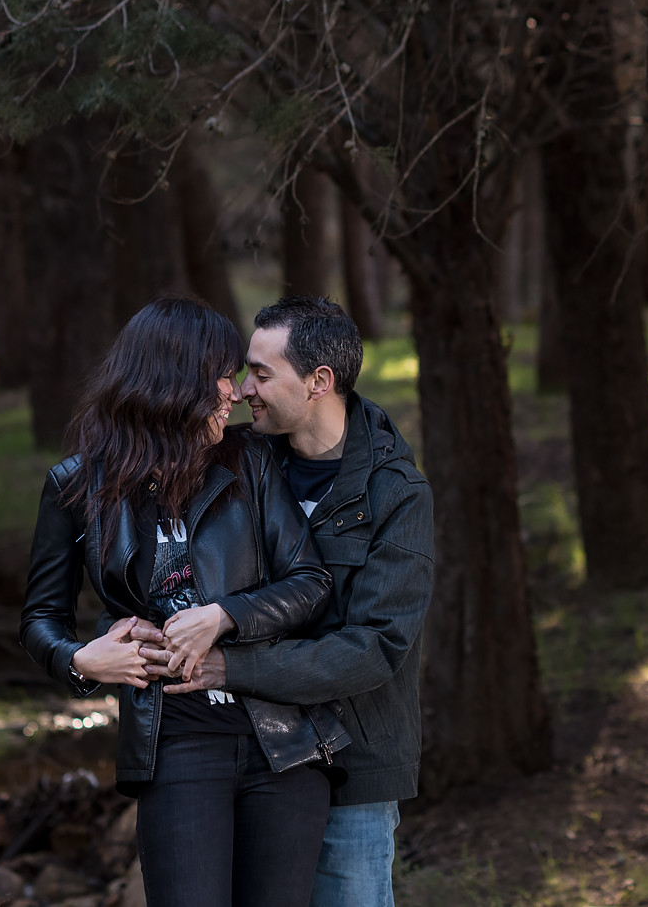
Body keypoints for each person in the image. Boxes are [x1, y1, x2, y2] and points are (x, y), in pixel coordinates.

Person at [20, 297, 348, 907]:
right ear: (175, 382)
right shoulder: (75, 485)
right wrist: (82, 662)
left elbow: (311, 582)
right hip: (175, 747)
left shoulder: (249, 461)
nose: (234, 392)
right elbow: (40, 619)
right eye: (221, 376)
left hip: (281, 743)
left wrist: (225, 616)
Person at [142, 294, 434, 907]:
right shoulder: (241, 460)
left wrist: (232, 665)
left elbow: (374, 646)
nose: (243, 388)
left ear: (319, 382)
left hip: (354, 760)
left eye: (261, 373)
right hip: (254, 754)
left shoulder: (395, 493)